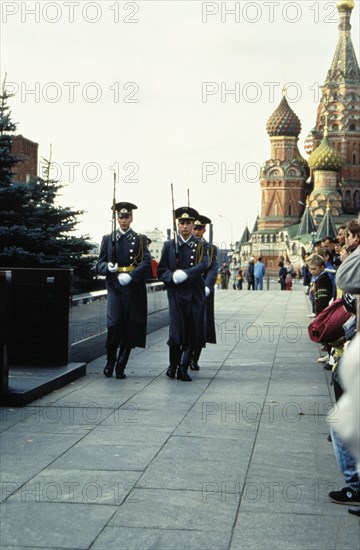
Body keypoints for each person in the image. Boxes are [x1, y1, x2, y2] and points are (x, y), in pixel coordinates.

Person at [97, 202, 151, 379]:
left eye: (126, 217)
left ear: (131, 218)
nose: (123, 220)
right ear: (116, 218)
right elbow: (99, 264)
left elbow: (146, 262)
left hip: (132, 287)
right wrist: (108, 267)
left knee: (129, 325)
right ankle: (110, 360)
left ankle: (121, 364)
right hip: (114, 286)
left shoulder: (140, 239)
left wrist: (132, 276)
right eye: (120, 217)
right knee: (114, 323)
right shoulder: (108, 239)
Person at [157, 206, 209, 382]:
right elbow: (161, 269)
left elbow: (204, 264)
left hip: (194, 293)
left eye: (188, 223)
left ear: (193, 224)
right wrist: (171, 277)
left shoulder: (200, 245)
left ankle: (184, 367)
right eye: (182, 223)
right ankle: (173, 365)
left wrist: (187, 273)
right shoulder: (169, 246)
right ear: (177, 225)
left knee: (192, 330)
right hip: (177, 293)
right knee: (176, 331)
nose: (185, 226)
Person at [190, 213, 219, 371]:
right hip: (187, 289)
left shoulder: (211, 249)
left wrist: (207, 287)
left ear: (204, 230)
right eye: (194, 228)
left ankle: (195, 358)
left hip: (203, 291)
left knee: (201, 325)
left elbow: (213, 269)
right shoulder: (185, 246)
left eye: (199, 229)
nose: (196, 231)